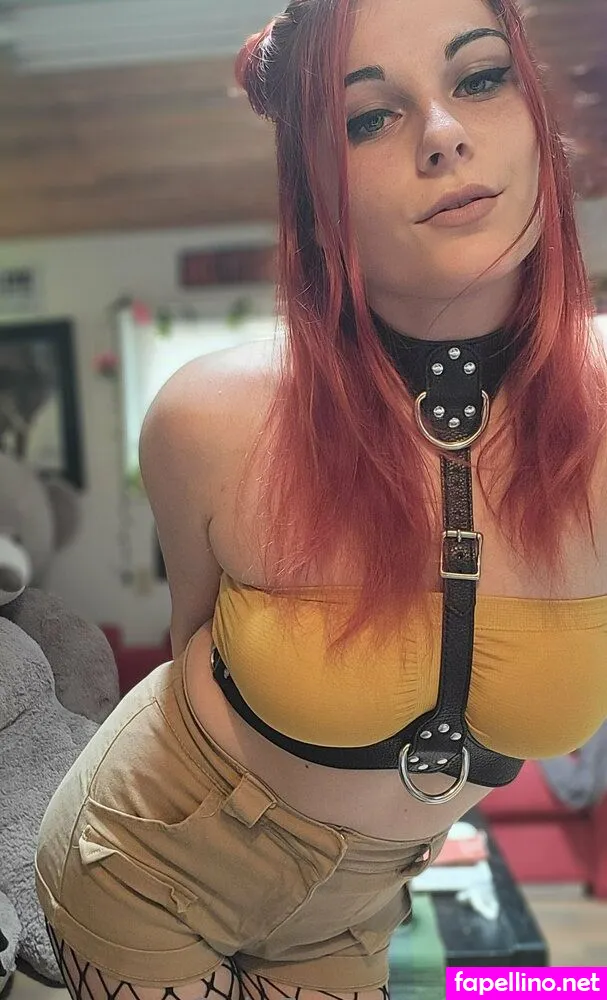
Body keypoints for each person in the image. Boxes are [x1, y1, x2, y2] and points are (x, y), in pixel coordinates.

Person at [36, 1, 607, 998]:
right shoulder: (208, 419)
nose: (443, 134)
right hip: (149, 868)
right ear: (315, 190)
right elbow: (194, 647)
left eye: (479, 78)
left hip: (358, 906)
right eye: (367, 117)